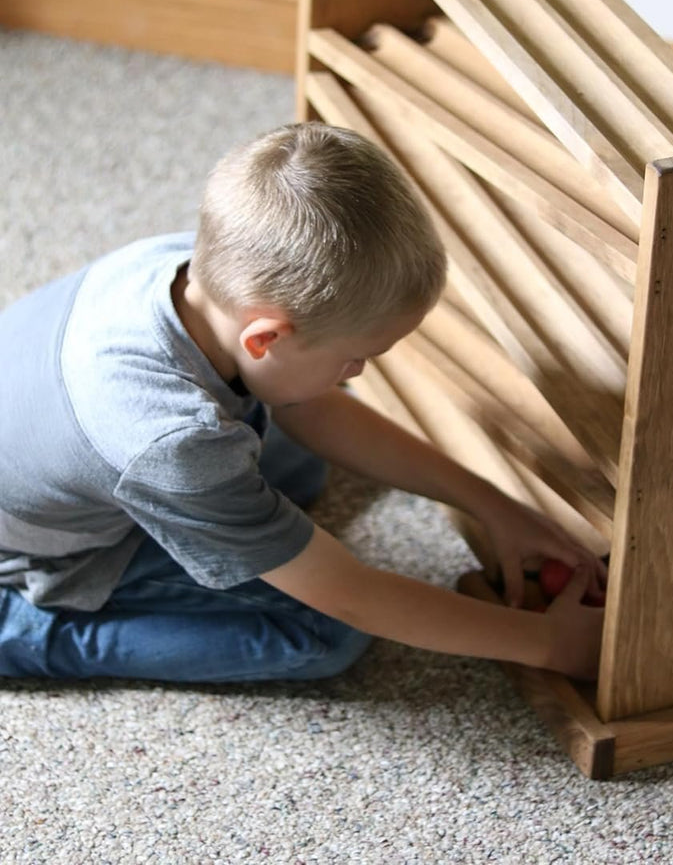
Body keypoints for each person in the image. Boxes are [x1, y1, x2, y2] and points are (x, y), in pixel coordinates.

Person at [0, 122, 606, 685]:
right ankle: (36, 633)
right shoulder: (174, 441)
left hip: (65, 450)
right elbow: (349, 593)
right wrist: (548, 644)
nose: (360, 373)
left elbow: (313, 407)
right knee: (325, 632)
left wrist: (490, 503)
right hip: (38, 556)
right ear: (265, 338)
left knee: (293, 458)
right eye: (355, 357)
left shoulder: (194, 266)